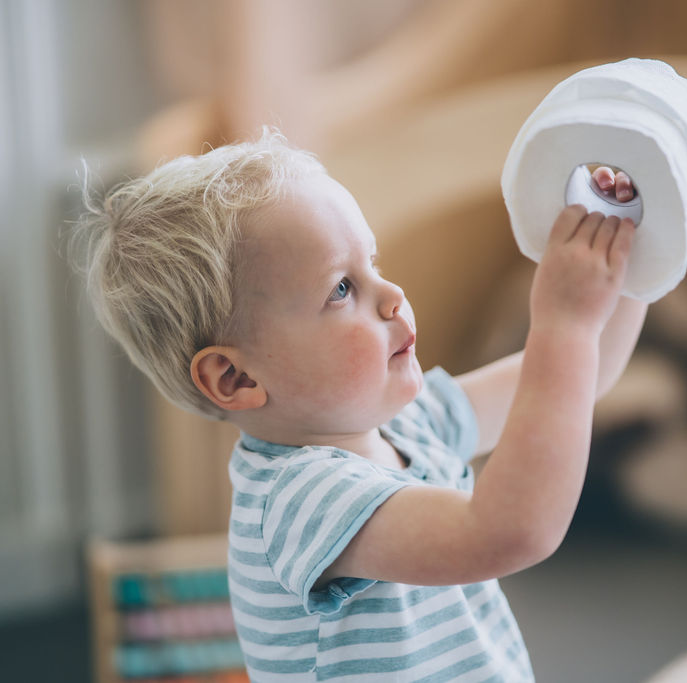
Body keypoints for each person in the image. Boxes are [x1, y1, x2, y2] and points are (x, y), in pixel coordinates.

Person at [73, 129, 646, 681]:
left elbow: (588, 375)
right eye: (342, 289)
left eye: (374, 263)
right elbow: (510, 532)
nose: (393, 296)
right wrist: (563, 324)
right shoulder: (300, 500)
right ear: (236, 376)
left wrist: (633, 253)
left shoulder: (407, 422)